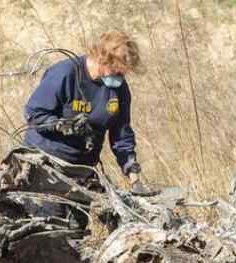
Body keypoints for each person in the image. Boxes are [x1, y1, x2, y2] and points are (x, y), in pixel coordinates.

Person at [23, 30, 151, 194]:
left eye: (124, 73)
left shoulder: (118, 89)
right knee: (51, 217)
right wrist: (63, 125)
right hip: (46, 164)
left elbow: (121, 135)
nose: (120, 77)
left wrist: (134, 177)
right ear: (103, 59)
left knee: (77, 219)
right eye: (117, 72)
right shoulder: (64, 74)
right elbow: (34, 114)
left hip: (82, 169)